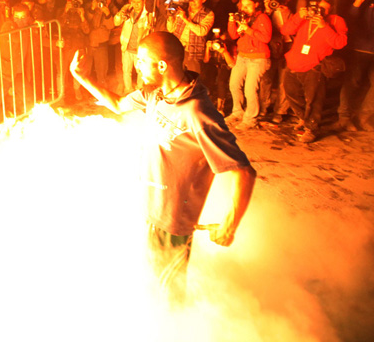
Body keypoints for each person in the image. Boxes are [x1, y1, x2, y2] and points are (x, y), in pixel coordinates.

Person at [70, 32, 256, 304]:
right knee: (151, 280)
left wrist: (230, 224)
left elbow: (243, 171)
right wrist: (83, 77)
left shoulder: (196, 111)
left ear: (161, 65)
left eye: (142, 60)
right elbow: (119, 105)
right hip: (151, 208)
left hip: (173, 221)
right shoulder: (156, 94)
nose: (137, 66)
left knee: (170, 294)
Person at [279, 0, 347, 143]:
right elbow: (285, 31)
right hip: (295, 62)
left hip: (315, 65)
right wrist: (298, 16)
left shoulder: (336, 20)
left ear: (331, 9)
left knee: (314, 100)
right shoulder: (305, 17)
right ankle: (304, 119)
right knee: (291, 93)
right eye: (318, 8)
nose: (320, 12)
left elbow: (340, 43)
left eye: (325, 9)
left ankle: (312, 129)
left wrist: (324, 26)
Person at [226, 0, 272, 130]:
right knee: (234, 84)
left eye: (248, 5)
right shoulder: (243, 17)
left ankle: (250, 118)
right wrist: (231, 22)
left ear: (256, 4)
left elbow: (266, 38)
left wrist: (249, 29)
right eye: (242, 5)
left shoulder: (262, 18)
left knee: (250, 89)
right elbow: (234, 35)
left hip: (258, 58)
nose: (244, 8)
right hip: (242, 56)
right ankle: (237, 112)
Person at [338, 0, 374, 131]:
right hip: (360, 49)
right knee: (352, 83)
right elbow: (350, 20)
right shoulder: (366, 0)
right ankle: (344, 118)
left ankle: (364, 117)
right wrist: (358, 1)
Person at [165, 0, 214, 74]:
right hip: (178, 49)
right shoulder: (182, 9)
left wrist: (185, 19)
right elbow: (170, 29)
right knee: (175, 75)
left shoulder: (208, 13)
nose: (192, 1)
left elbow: (201, 31)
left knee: (192, 77)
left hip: (193, 52)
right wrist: (170, 16)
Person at [114, 0, 155, 94]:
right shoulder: (128, 10)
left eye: (138, 2)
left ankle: (140, 91)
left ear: (144, 2)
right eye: (133, 2)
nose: (136, 5)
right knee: (126, 71)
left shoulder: (147, 13)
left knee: (141, 71)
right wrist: (121, 12)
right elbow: (116, 22)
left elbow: (151, 28)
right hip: (127, 47)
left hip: (140, 49)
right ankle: (128, 90)